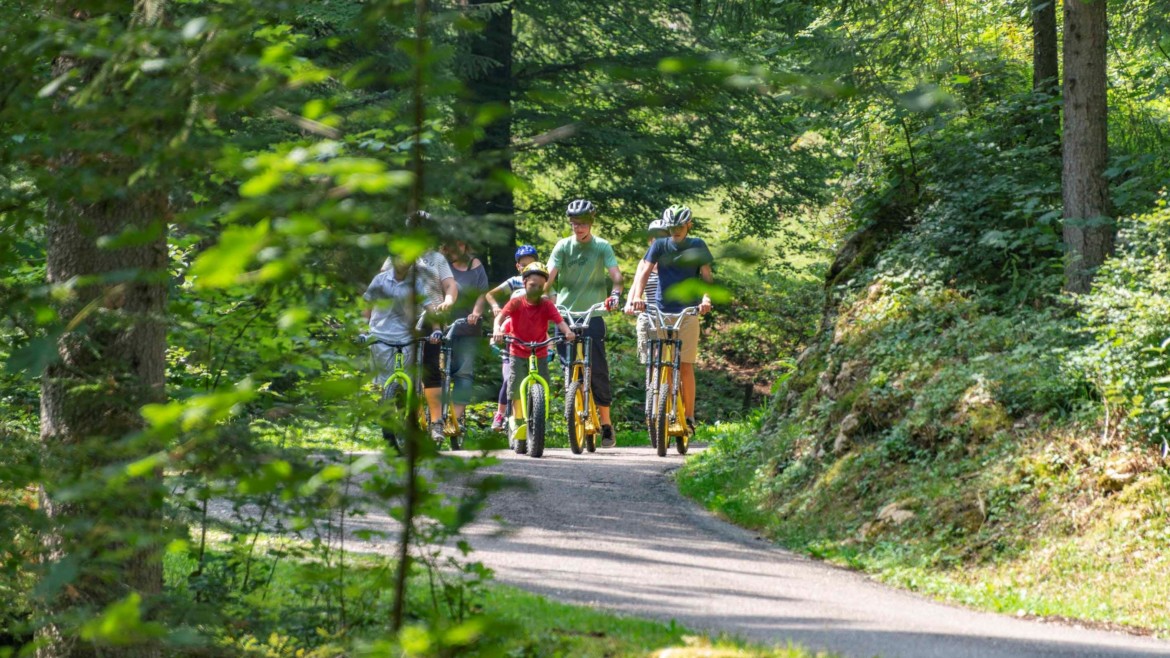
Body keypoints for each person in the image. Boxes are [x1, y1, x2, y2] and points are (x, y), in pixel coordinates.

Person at [625, 205, 714, 434]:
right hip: (661, 312)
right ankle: (664, 409)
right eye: (672, 227)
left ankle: (690, 416)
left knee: (685, 365)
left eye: (680, 227)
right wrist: (636, 297)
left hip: (688, 312)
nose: (675, 231)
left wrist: (705, 299)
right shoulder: (659, 245)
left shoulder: (697, 245)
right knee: (663, 363)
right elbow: (644, 272)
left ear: (688, 226)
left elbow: (706, 277)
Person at [545, 199, 623, 447]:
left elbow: (617, 278)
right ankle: (575, 406)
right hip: (565, 314)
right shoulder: (563, 246)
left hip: (593, 315)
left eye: (582, 224)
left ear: (591, 223)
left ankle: (607, 424)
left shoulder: (601, 247)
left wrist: (616, 295)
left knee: (598, 369)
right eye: (574, 223)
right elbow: (548, 277)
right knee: (569, 368)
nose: (578, 228)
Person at [383, 210, 459, 443]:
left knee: (429, 369)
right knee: (397, 369)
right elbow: (381, 282)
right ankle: (397, 419)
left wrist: (448, 300)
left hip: (430, 318)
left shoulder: (437, 258)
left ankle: (436, 423)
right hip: (400, 318)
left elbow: (450, 285)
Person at [492, 262, 575, 443]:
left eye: (540, 286)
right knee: (515, 387)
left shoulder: (546, 305)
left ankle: (538, 419)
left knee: (543, 385)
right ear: (524, 283)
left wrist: (567, 332)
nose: (536, 289)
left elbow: (559, 322)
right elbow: (499, 317)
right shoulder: (516, 302)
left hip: (540, 350)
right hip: (518, 350)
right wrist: (497, 329)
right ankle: (518, 421)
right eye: (532, 285)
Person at [486, 245, 540, 431]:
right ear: (518, 266)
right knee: (510, 378)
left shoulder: (542, 282)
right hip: (513, 335)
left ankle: (536, 419)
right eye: (523, 265)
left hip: (534, 335)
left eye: (530, 264)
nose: (526, 268)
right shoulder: (514, 283)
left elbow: (551, 306)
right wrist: (496, 308)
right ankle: (501, 414)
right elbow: (490, 295)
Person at [440, 238, 489, 434]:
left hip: (468, 328)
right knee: (440, 373)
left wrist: (476, 313)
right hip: (443, 328)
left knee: (463, 373)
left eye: (460, 244)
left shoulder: (475, 266)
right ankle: (436, 416)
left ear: (466, 245)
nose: (456, 248)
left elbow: (482, 294)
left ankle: (456, 419)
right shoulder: (443, 266)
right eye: (452, 244)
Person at [631, 218, 669, 365]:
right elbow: (636, 286)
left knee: (669, 359)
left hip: (668, 316)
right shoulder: (644, 263)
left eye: (662, 236)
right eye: (655, 236)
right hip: (649, 314)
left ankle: (668, 386)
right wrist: (632, 302)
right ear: (650, 240)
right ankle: (652, 386)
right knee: (650, 361)